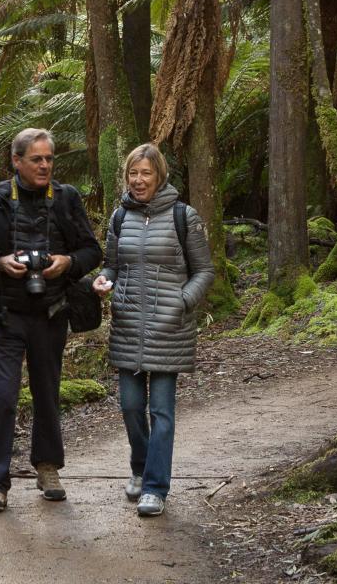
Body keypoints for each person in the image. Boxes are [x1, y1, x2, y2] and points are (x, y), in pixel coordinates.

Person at [0, 128, 102, 513]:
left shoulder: (66, 199)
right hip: (5, 314)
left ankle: (48, 467)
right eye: (37, 159)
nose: (45, 165)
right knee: (2, 397)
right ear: (16, 162)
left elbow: (91, 250)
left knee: (47, 394)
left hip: (51, 313)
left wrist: (68, 263)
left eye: (49, 159)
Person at [93, 144, 214, 517]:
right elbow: (112, 265)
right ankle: (139, 467)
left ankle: (155, 487)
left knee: (161, 411)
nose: (139, 180)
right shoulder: (119, 218)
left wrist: (182, 301)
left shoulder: (183, 216)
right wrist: (103, 280)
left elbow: (204, 271)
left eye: (145, 173)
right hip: (128, 324)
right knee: (131, 407)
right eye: (133, 173)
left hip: (169, 327)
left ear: (159, 175)